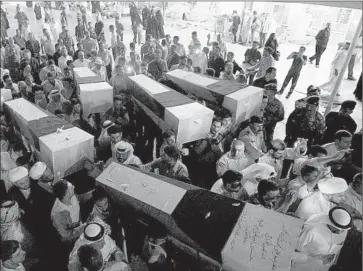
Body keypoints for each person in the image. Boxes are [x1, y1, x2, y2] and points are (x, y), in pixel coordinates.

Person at [51, 179, 85, 244]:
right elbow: (66, 235)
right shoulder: (57, 215)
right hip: (72, 241)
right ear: (67, 193)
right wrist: (83, 227)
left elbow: (80, 200)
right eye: (71, 187)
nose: (74, 186)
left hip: (81, 228)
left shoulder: (72, 196)